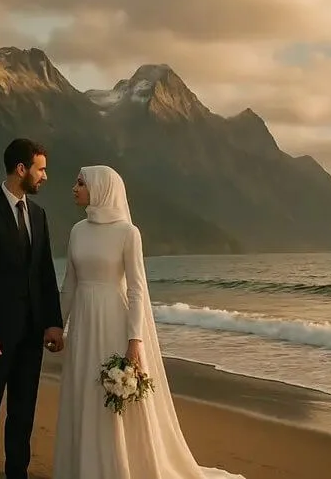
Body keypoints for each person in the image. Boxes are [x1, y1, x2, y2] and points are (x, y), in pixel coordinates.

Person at [52, 164, 211, 479]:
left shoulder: (128, 233)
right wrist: (59, 324)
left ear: (101, 188)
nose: (74, 187)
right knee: (84, 389)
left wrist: (135, 340)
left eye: (80, 182)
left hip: (114, 319)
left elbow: (138, 289)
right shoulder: (76, 230)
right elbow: (69, 283)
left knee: (113, 394)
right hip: (83, 321)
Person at [0, 138, 65, 479]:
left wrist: (52, 322)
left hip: (32, 333)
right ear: (22, 169)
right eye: (41, 169)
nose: (45, 176)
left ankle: (17, 473)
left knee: (23, 411)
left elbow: (45, 273)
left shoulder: (39, 215)